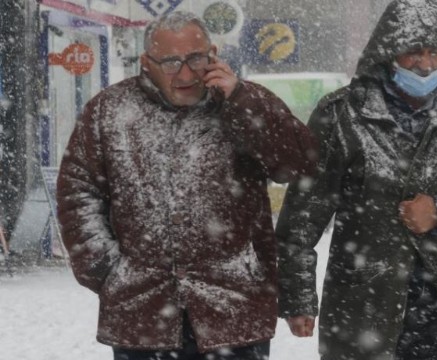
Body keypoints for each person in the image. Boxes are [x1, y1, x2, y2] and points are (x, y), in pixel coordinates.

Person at [56, 11, 317, 360]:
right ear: (147, 62)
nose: (185, 73)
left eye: (195, 58)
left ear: (212, 54)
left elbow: (300, 164)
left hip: (234, 310)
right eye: (170, 62)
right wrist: (108, 271)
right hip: (143, 317)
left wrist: (240, 98)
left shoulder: (243, 101)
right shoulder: (108, 111)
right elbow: (77, 194)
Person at [275, 1, 437, 359]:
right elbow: (302, 216)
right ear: (388, 53)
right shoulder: (342, 114)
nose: (425, 65)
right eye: (413, 54)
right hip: (363, 304)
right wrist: (298, 296)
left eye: (434, 53)